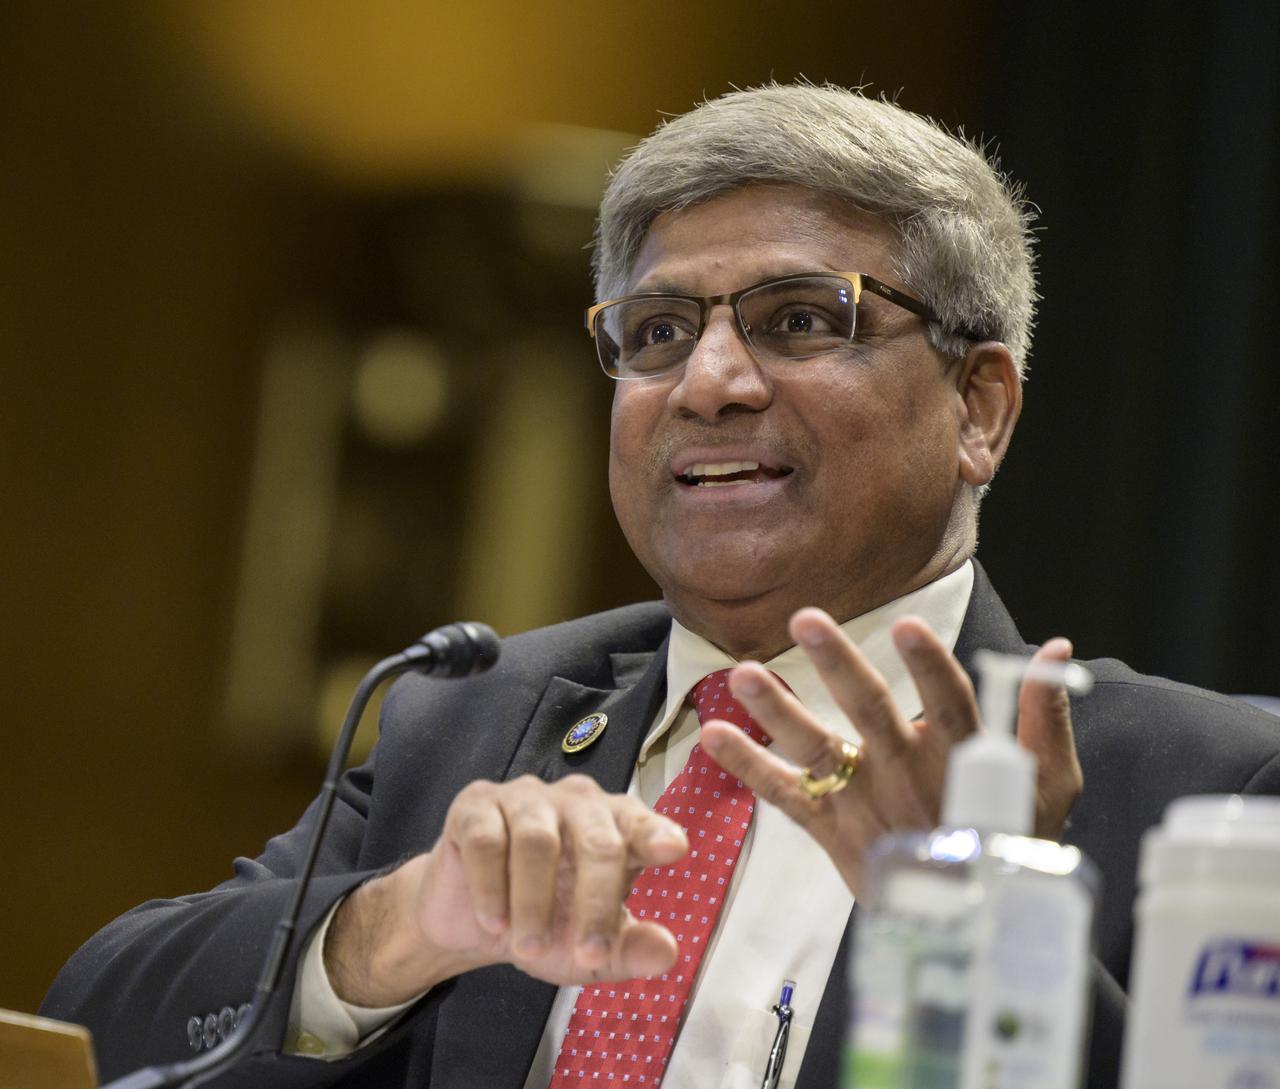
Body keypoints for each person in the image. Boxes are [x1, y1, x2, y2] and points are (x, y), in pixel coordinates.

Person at [42, 83, 1280, 1089]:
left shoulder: (1206, 789)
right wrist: (400, 927)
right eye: (655, 332)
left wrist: (991, 926)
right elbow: (94, 1031)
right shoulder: (474, 716)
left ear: (977, 407)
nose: (708, 383)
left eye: (799, 321)